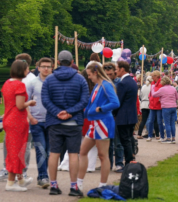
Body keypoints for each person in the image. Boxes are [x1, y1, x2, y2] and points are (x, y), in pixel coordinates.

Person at [42, 50, 89, 196]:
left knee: (54, 153)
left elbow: (45, 99)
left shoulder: (49, 79)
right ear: (72, 61)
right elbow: (84, 100)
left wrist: (57, 112)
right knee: (74, 154)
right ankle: (74, 187)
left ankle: (53, 185)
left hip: (54, 121)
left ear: (58, 62)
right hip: (73, 122)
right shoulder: (80, 79)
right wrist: (70, 112)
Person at [77, 63, 120, 191]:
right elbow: (91, 104)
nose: (89, 77)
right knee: (83, 152)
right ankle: (79, 183)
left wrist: (101, 108)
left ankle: (102, 185)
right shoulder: (98, 85)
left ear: (95, 73)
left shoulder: (106, 85)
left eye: (89, 75)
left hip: (103, 122)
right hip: (94, 122)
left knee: (102, 155)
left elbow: (115, 102)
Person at [1, 60, 36, 191]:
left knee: (15, 149)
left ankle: (20, 179)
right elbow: (20, 105)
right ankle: (11, 182)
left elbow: (8, 103)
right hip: (17, 121)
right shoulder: (19, 85)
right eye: (27, 69)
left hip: (9, 119)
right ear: (21, 70)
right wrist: (30, 102)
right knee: (17, 151)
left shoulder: (7, 83)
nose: (28, 71)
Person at [26, 58, 54, 188]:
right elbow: (25, 101)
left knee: (49, 151)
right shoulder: (32, 83)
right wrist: (30, 117)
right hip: (36, 121)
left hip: (51, 121)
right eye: (43, 66)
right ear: (38, 68)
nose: (46, 69)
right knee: (40, 149)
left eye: (48, 66)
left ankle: (43, 175)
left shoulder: (54, 82)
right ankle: (43, 176)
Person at [114, 61, 138, 169]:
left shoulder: (122, 83)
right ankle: (131, 160)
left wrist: (113, 113)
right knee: (128, 139)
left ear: (122, 69)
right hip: (131, 115)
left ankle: (129, 162)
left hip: (124, 116)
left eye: (117, 68)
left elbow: (118, 101)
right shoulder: (132, 81)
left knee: (125, 140)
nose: (115, 71)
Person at [103, 63, 124, 171]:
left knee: (117, 142)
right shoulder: (104, 83)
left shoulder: (119, 83)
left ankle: (119, 163)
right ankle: (109, 164)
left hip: (116, 115)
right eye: (106, 74)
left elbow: (119, 101)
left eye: (110, 74)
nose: (108, 75)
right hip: (106, 115)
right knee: (108, 142)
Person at [150, 76, 178, 144]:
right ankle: (173, 138)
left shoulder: (162, 89)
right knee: (172, 123)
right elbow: (177, 97)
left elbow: (154, 95)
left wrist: (153, 88)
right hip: (173, 107)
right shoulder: (173, 88)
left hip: (166, 107)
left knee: (167, 123)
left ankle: (168, 138)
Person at [147, 71, 165, 142]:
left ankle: (162, 136)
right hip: (152, 104)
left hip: (159, 105)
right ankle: (150, 135)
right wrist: (150, 97)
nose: (152, 77)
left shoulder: (161, 84)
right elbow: (151, 92)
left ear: (156, 76)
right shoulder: (152, 83)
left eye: (153, 76)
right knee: (150, 121)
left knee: (159, 121)